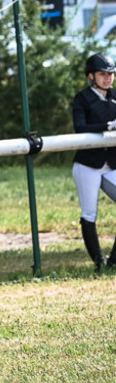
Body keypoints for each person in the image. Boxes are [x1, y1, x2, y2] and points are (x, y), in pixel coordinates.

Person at [71, 53, 116, 271]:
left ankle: (114, 261)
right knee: (89, 213)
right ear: (91, 76)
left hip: (111, 165)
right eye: (102, 74)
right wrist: (107, 126)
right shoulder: (82, 99)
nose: (108, 78)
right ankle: (99, 263)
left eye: (110, 74)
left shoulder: (115, 97)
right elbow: (79, 127)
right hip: (87, 165)